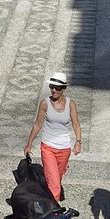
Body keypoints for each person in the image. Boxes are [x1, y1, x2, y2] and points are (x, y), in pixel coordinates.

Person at [22, 72, 82, 202]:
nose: (54, 90)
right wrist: (29, 144)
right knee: (54, 184)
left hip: (64, 148)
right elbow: (37, 125)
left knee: (56, 179)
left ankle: (49, 200)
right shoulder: (45, 103)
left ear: (64, 89)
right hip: (48, 146)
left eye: (58, 88)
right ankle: (53, 211)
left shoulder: (70, 104)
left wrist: (78, 142)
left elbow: (76, 125)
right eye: (52, 86)